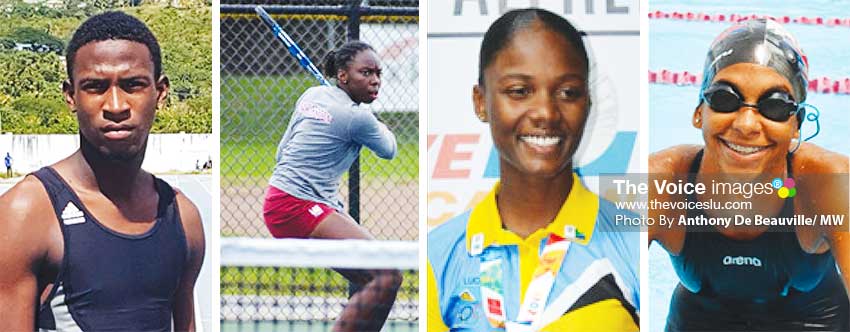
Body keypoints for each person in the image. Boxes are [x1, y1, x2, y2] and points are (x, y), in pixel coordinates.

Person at [427, 8, 639, 331]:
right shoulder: (438, 256)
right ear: (480, 101)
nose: (546, 113)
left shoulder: (634, 243)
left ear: (588, 103)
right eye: (520, 91)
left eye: (568, 92)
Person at [0, 12, 205, 331]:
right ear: (71, 96)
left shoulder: (183, 217)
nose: (116, 105)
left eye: (133, 85)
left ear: (160, 92)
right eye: (95, 87)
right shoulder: (26, 213)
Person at [649, 18, 849, 331]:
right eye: (725, 99)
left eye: (775, 106)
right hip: (701, 321)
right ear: (698, 111)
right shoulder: (657, 183)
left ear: (796, 123)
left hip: (815, 320)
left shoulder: (829, 182)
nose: (746, 125)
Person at [262, 40, 401, 331]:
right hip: (294, 207)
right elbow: (389, 148)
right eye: (366, 73)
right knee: (386, 275)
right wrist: (374, 121)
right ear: (342, 76)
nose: (375, 81)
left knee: (375, 278)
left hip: (284, 198)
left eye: (378, 73)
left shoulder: (312, 95)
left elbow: (280, 153)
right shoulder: (358, 117)